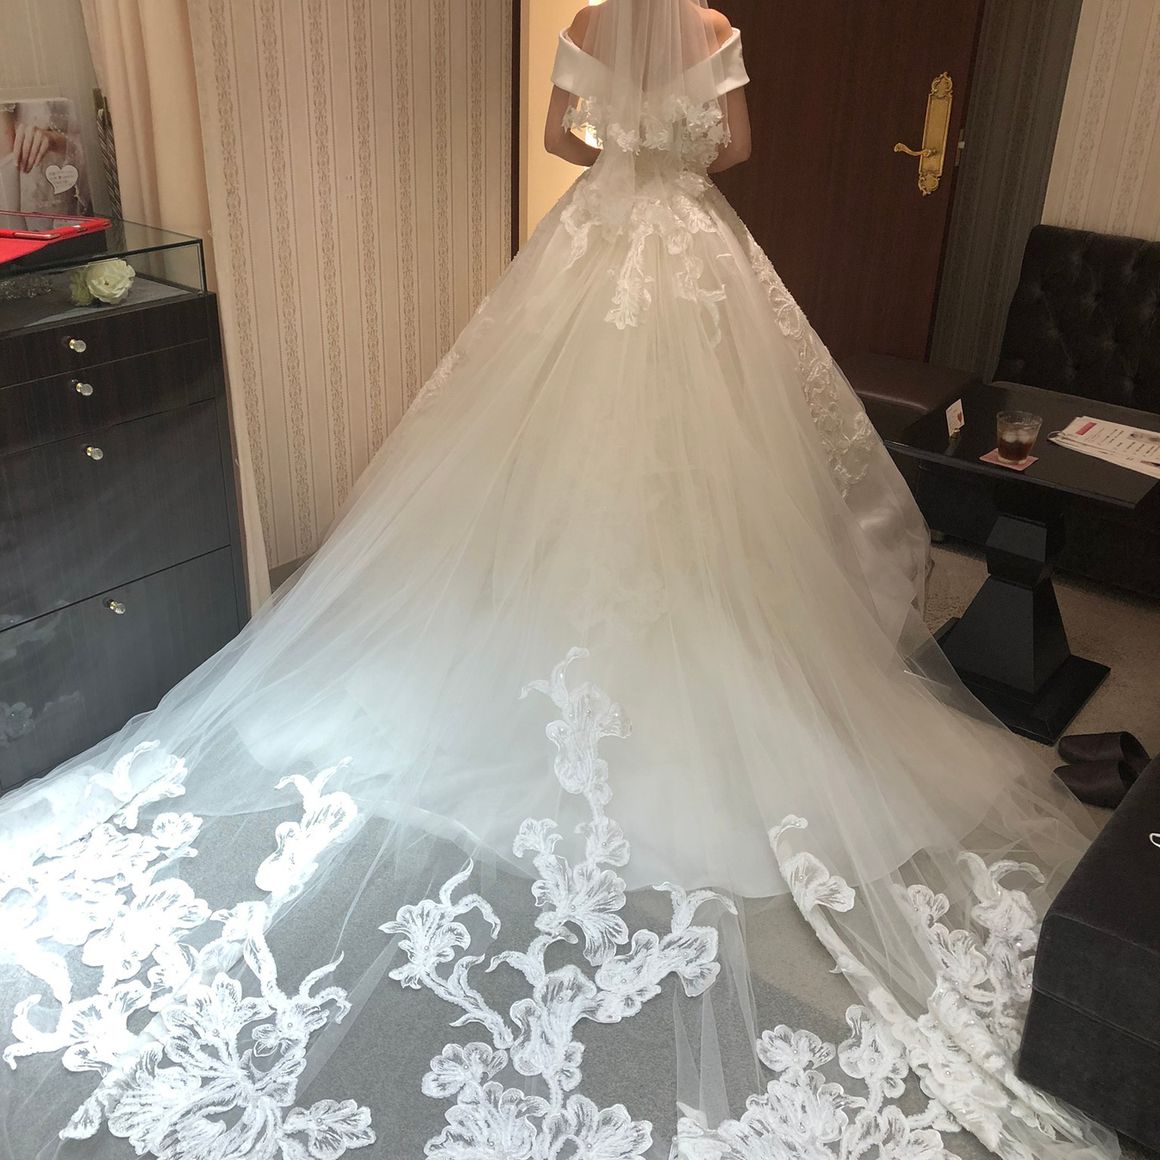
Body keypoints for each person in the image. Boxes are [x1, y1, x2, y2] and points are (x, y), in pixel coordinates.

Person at [0, 3, 1119, 1157]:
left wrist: (618, 150)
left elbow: (556, 138)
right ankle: (697, 615)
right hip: (688, 251)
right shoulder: (710, 27)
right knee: (708, 455)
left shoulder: (587, 17)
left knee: (557, 442)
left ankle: (555, 617)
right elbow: (733, 148)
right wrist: (671, 155)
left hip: (595, 239)